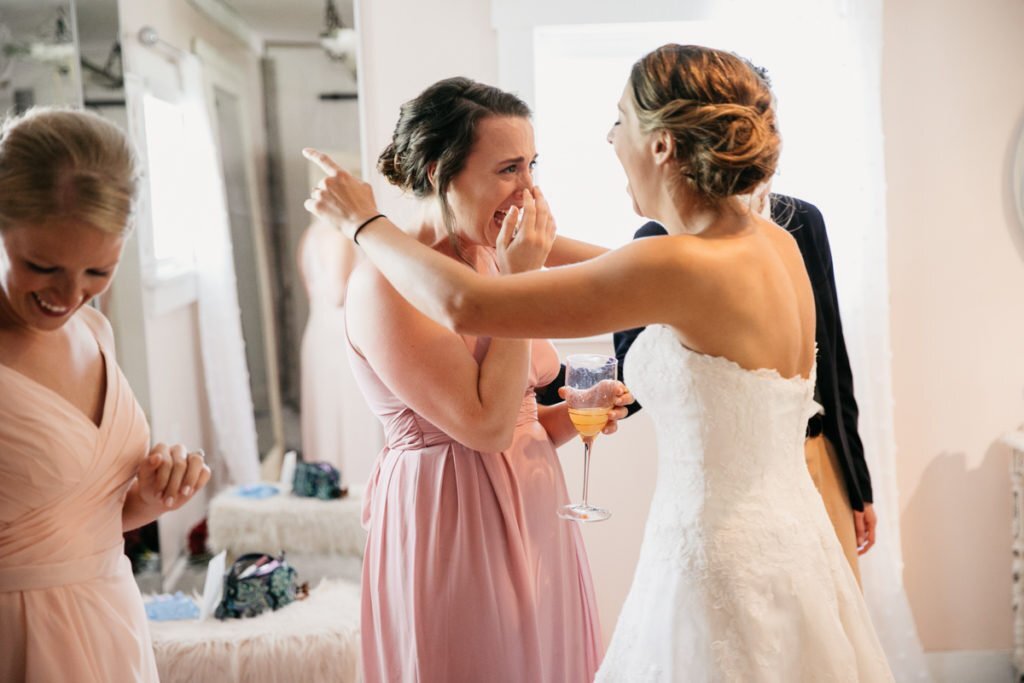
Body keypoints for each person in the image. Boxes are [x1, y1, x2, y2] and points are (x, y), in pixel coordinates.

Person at [304, 44, 894, 681]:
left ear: (662, 145)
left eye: (620, 122)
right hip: (788, 536)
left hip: (715, 550)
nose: (611, 139)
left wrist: (364, 221)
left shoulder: (674, 264)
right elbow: (602, 278)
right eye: (510, 167)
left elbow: (466, 303)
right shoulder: (775, 240)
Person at [319, 77, 625, 682]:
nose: (529, 188)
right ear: (439, 172)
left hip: (535, 511)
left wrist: (574, 412)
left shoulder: (494, 255)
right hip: (450, 525)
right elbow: (482, 427)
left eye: (533, 165)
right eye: (509, 168)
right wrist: (518, 284)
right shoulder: (385, 282)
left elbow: (515, 422)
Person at [0, 107, 211, 682]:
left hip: (112, 617)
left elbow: (79, 522)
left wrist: (150, 499)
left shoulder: (94, 332)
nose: (70, 295)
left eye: (98, 270)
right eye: (41, 265)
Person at [610, 192, 876, 584]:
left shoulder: (802, 222)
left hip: (819, 454)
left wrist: (858, 484)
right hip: (732, 487)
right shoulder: (655, 238)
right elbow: (634, 367)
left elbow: (833, 355)